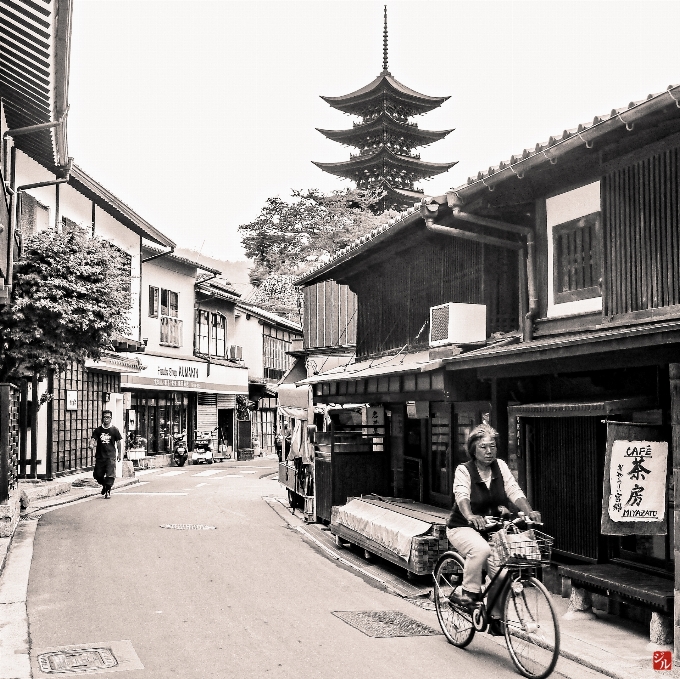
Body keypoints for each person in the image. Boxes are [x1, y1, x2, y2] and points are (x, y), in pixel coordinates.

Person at [446, 423, 541, 607]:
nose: (489, 451)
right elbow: (461, 495)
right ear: (473, 450)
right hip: (462, 527)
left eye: (493, 446)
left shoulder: (501, 466)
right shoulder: (464, 470)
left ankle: (496, 619)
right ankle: (468, 593)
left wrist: (529, 511)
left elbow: (514, 490)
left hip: (491, 530)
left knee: (504, 575)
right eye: (483, 447)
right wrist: (470, 515)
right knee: (481, 550)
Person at [90, 410, 122, 499]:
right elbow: (93, 439)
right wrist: (91, 444)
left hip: (110, 457)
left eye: (108, 417)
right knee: (98, 475)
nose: (106, 419)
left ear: (111, 418)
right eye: (104, 417)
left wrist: (119, 454)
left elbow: (119, 442)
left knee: (110, 475)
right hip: (100, 456)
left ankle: (108, 491)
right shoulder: (98, 430)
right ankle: (104, 485)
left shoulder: (114, 430)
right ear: (102, 418)